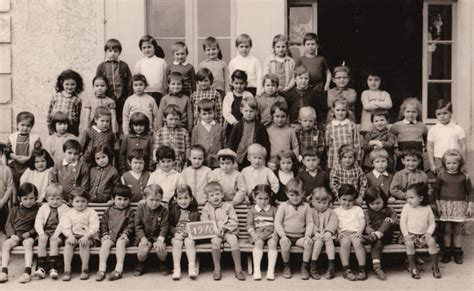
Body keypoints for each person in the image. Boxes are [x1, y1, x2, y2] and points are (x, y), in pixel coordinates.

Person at [432, 149, 473, 264]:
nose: (451, 166)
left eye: (454, 163)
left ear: (460, 163)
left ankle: (458, 252)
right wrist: (438, 205)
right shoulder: (441, 175)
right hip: (445, 206)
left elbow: (470, 192)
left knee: (458, 231)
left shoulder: (464, 176)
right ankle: (447, 252)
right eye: (448, 163)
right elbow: (436, 191)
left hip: (459, 205)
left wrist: (470, 206)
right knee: (447, 230)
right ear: (444, 163)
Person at [200, 181, 245, 281]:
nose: (215, 197)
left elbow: (234, 220)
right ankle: (217, 269)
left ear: (222, 195)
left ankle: (238, 269)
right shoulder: (206, 209)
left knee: (234, 241)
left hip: (228, 231)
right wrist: (215, 230)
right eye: (211, 195)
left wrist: (224, 229)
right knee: (215, 242)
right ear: (207, 198)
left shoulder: (228, 206)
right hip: (215, 233)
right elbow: (205, 222)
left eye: (217, 194)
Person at [274, 178, 314, 280]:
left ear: (303, 193)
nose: (295, 198)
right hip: (286, 235)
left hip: (300, 236)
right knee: (284, 245)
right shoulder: (283, 206)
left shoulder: (306, 206)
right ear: (287, 194)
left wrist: (307, 235)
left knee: (308, 244)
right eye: (292, 195)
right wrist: (282, 236)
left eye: (298, 195)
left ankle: (304, 266)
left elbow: (310, 222)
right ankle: (286, 266)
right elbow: (277, 222)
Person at [400, 183, 441, 279]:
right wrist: (406, 235)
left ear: (421, 198)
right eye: (407, 197)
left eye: (411, 197)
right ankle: (413, 267)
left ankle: (435, 267)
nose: (408, 200)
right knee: (409, 244)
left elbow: (432, 223)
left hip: (423, 235)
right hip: (410, 234)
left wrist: (428, 233)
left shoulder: (427, 208)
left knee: (431, 242)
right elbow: (403, 223)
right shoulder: (407, 207)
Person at [0, 183, 39, 283]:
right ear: (19, 198)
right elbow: (8, 224)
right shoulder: (14, 210)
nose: (29, 201)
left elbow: (38, 225)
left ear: (36, 198)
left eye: (31, 198)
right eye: (25, 199)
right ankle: (4, 271)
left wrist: (30, 233)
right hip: (15, 235)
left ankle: (27, 272)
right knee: (6, 245)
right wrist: (12, 234)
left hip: (28, 235)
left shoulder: (37, 210)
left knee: (28, 244)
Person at [96, 185, 135, 281]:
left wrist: (125, 234)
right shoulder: (109, 211)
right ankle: (101, 269)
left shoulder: (130, 212)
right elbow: (103, 223)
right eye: (119, 199)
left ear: (129, 200)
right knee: (105, 244)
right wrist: (105, 234)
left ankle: (118, 270)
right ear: (113, 199)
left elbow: (131, 224)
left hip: (124, 237)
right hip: (111, 235)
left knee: (120, 243)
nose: (122, 202)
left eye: (125, 199)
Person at [61, 187, 100, 281]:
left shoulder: (91, 212)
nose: (80, 204)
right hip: (74, 236)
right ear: (71, 202)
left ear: (87, 201)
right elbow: (65, 227)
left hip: (89, 237)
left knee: (84, 244)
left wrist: (86, 236)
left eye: (83, 201)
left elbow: (94, 227)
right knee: (68, 244)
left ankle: (85, 268)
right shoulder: (69, 213)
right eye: (77, 201)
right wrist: (70, 236)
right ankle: (67, 269)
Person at [32, 183, 69, 280]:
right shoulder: (43, 208)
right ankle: (41, 268)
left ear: (62, 198)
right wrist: (41, 233)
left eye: (58, 199)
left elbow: (63, 223)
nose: (55, 202)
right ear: (47, 198)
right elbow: (38, 222)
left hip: (60, 233)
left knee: (54, 241)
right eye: (52, 199)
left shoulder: (65, 208)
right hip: (46, 231)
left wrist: (56, 234)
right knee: (42, 240)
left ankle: (53, 268)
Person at [362, 186, 398, 280]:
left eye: (378, 203)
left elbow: (396, 223)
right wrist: (372, 232)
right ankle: (377, 268)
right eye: (372, 204)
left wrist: (389, 224)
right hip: (375, 238)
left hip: (387, 236)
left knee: (388, 220)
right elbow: (367, 226)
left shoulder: (390, 210)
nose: (375, 206)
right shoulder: (367, 213)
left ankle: (376, 235)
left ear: (384, 200)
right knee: (377, 241)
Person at [96, 38, 133, 129]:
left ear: (119, 52)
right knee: (107, 118)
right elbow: (97, 81)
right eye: (110, 51)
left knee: (121, 118)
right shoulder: (102, 66)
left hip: (122, 98)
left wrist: (128, 96)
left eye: (115, 51)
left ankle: (120, 139)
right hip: (107, 98)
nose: (113, 53)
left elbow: (129, 81)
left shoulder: (124, 65)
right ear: (106, 52)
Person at [133, 184, 169, 277]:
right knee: (143, 250)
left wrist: (161, 240)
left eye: (157, 200)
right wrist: (142, 238)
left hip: (158, 237)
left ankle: (163, 263)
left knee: (160, 249)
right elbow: (138, 225)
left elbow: (164, 227)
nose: (154, 203)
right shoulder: (141, 209)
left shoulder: (164, 211)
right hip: (145, 236)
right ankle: (141, 263)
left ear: (161, 199)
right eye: (151, 200)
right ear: (145, 198)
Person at [333, 184, 367, 281]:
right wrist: (338, 232)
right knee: (345, 243)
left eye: (350, 200)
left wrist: (360, 231)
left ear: (354, 200)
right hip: (344, 233)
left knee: (358, 243)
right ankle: (346, 269)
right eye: (344, 199)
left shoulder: (357, 209)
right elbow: (335, 224)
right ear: (338, 198)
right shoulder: (336, 211)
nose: (347, 203)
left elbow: (362, 221)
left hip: (356, 232)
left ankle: (362, 269)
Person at [228, 96, 270, 169]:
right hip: (239, 157)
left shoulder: (260, 127)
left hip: (255, 159)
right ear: (241, 110)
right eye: (246, 111)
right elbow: (231, 144)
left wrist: (265, 159)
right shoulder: (238, 126)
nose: (248, 113)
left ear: (256, 111)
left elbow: (266, 144)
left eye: (251, 111)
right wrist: (232, 160)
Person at [247, 184, 278, 280]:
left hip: (271, 233)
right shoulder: (252, 210)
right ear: (254, 197)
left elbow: (278, 223)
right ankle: (257, 270)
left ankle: (270, 270)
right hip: (257, 234)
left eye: (266, 199)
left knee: (273, 243)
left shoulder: (273, 210)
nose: (263, 202)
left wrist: (275, 234)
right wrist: (253, 235)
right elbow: (249, 225)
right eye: (260, 198)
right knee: (259, 243)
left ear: (270, 197)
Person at [427, 99, 467, 174]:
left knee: (455, 179)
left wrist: (463, 163)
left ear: (451, 113)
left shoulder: (458, 128)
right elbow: (430, 147)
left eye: (445, 113)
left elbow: (464, 146)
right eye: (439, 114)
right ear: (435, 115)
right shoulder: (433, 129)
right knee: (441, 179)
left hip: (455, 159)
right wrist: (432, 164)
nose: (442, 116)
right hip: (439, 159)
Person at [168, 184, 199, 280]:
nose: (183, 201)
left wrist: (190, 232)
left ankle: (192, 267)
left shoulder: (195, 211)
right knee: (177, 243)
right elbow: (168, 225)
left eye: (186, 198)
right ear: (175, 199)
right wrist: (175, 233)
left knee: (189, 242)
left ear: (191, 198)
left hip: (189, 235)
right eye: (180, 198)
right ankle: (176, 268)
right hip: (176, 234)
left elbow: (197, 225)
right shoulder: (172, 210)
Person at [390, 98, 427, 170]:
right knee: (402, 174)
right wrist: (395, 150)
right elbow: (390, 138)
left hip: (417, 155)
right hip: (402, 154)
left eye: (414, 112)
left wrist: (424, 151)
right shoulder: (397, 125)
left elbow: (426, 139)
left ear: (418, 113)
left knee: (417, 173)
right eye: (408, 111)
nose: (411, 114)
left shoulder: (422, 126)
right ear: (403, 113)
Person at [6, 111, 41, 187]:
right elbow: (7, 151)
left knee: (27, 182)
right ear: (17, 125)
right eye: (22, 125)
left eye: (28, 126)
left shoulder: (35, 138)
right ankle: (15, 197)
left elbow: (37, 152)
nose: (25, 128)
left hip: (28, 165)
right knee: (13, 182)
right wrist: (14, 157)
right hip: (15, 165)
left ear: (31, 127)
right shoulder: (12, 137)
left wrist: (28, 158)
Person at [325, 97, 361, 169]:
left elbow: (356, 143)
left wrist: (357, 157)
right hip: (335, 158)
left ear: (347, 111)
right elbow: (328, 145)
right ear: (333, 111)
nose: (340, 112)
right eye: (338, 110)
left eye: (343, 110)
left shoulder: (351, 125)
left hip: (350, 158)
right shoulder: (330, 127)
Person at [309, 187, 337, 280]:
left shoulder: (331, 212)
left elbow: (333, 222)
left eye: (324, 202)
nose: (321, 205)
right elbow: (310, 223)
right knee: (318, 242)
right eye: (319, 202)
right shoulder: (311, 212)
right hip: (316, 235)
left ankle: (331, 267)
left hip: (328, 235)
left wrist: (329, 231)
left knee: (329, 241)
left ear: (328, 202)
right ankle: (313, 266)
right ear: (313, 202)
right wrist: (316, 233)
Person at [46, 69, 84, 136]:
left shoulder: (77, 99)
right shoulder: (56, 96)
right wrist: (49, 126)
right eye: (67, 84)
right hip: (56, 128)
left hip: (69, 129)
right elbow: (50, 111)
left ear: (77, 84)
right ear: (61, 83)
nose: (69, 87)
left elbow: (77, 117)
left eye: (73, 84)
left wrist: (75, 131)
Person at [154, 104, 190, 172]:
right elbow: (156, 149)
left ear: (180, 119)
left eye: (176, 119)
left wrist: (186, 163)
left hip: (179, 165)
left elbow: (187, 148)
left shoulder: (184, 132)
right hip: (164, 164)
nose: (173, 122)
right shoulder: (160, 132)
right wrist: (157, 163)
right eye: (170, 119)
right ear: (165, 118)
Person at [134, 35, 167, 107]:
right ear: (141, 49)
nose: (147, 50)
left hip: (158, 93)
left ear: (154, 47)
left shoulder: (161, 62)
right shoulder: (139, 63)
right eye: (144, 48)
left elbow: (165, 79)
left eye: (149, 47)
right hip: (144, 93)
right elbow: (136, 80)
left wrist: (165, 93)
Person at [191, 99, 224, 169]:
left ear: (214, 112)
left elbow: (224, 144)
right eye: (204, 114)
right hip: (202, 161)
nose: (207, 116)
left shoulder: (219, 127)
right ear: (199, 114)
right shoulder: (196, 128)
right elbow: (193, 145)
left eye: (210, 113)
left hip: (217, 162)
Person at [222, 70, 254, 139]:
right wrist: (234, 122)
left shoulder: (249, 95)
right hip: (232, 125)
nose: (239, 86)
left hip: (246, 123)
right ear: (232, 83)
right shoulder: (228, 96)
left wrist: (244, 121)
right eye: (236, 83)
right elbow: (226, 112)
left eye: (241, 83)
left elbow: (252, 108)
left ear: (246, 83)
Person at [0, 143, 14, 246]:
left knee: (2, 228)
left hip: (2, 204)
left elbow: (9, 188)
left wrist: (2, 201)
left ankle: (3, 250)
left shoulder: (6, 170)